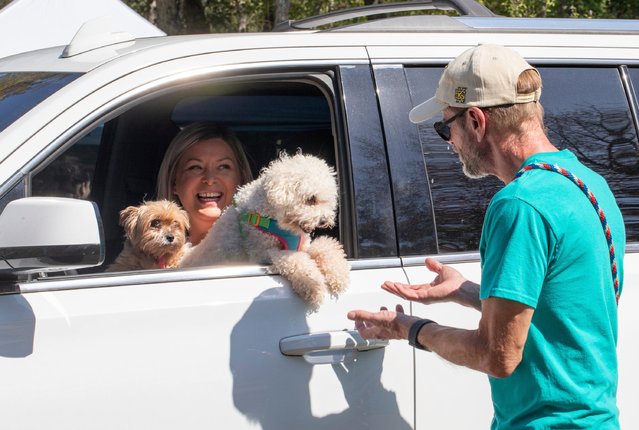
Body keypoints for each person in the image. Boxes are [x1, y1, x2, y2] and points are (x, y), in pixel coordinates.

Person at [347, 44, 625, 429]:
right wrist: (464, 291)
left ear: (476, 122)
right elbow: (560, 313)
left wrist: (408, 329)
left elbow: (497, 355)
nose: (449, 143)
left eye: (446, 128)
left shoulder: (519, 205)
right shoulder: (588, 186)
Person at [157, 122, 253, 246]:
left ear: (242, 178)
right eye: (196, 167)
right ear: (173, 182)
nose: (210, 179)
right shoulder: (148, 260)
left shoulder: (267, 251)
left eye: (223, 167)